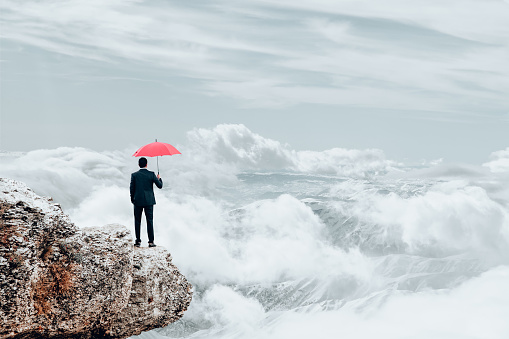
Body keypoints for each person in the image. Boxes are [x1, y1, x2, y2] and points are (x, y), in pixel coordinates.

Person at [130, 157, 163, 247]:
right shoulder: (151, 174)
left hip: (138, 201)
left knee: (137, 221)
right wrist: (159, 178)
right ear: (146, 164)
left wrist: (132, 199)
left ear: (138, 165)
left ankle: (138, 241)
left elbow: (131, 189)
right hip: (149, 201)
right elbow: (160, 186)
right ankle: (151, 242)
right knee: (150, 221)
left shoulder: (134, 175)